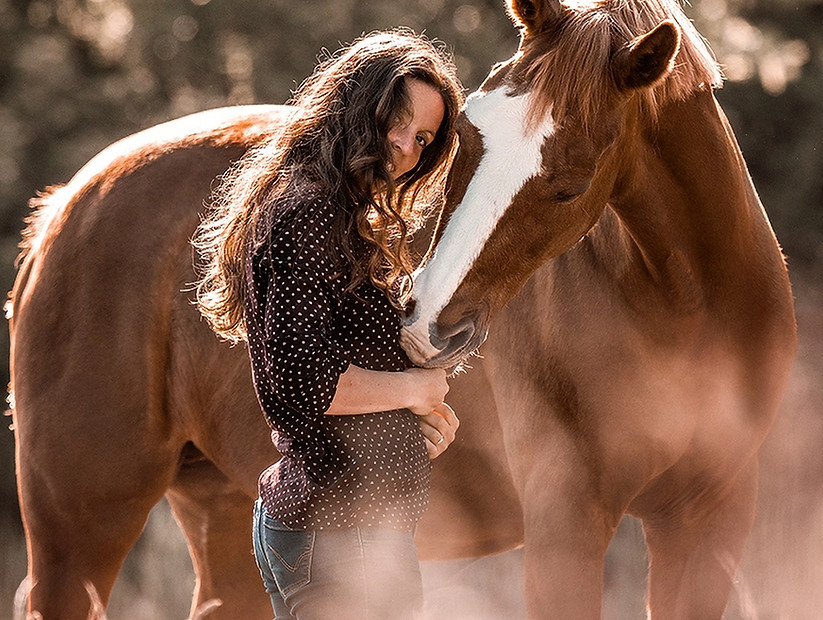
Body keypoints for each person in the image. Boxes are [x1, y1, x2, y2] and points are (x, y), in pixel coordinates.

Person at [193, 30, 464, 620]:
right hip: (342, 536)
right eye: (397, 120)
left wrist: (412, 432)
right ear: (354, 104)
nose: (406, 147)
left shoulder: (333, 212)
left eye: (423, 138)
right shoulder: (310, 212)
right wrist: (417, 390)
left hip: (352, 530)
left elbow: (341, 371)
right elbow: (299, 383)